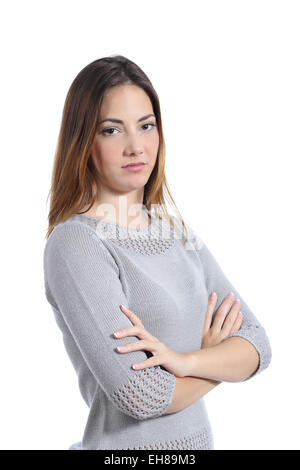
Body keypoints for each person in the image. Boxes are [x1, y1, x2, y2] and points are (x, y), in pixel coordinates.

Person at [43, 55, 272, 450]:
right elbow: (142, 396)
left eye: (146, 126)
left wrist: (186, 362)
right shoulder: (76, 244)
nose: (136, 147)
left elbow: (257, 345)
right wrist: (218, 362)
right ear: (83, 140)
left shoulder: (177, 232)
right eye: (112, 130)